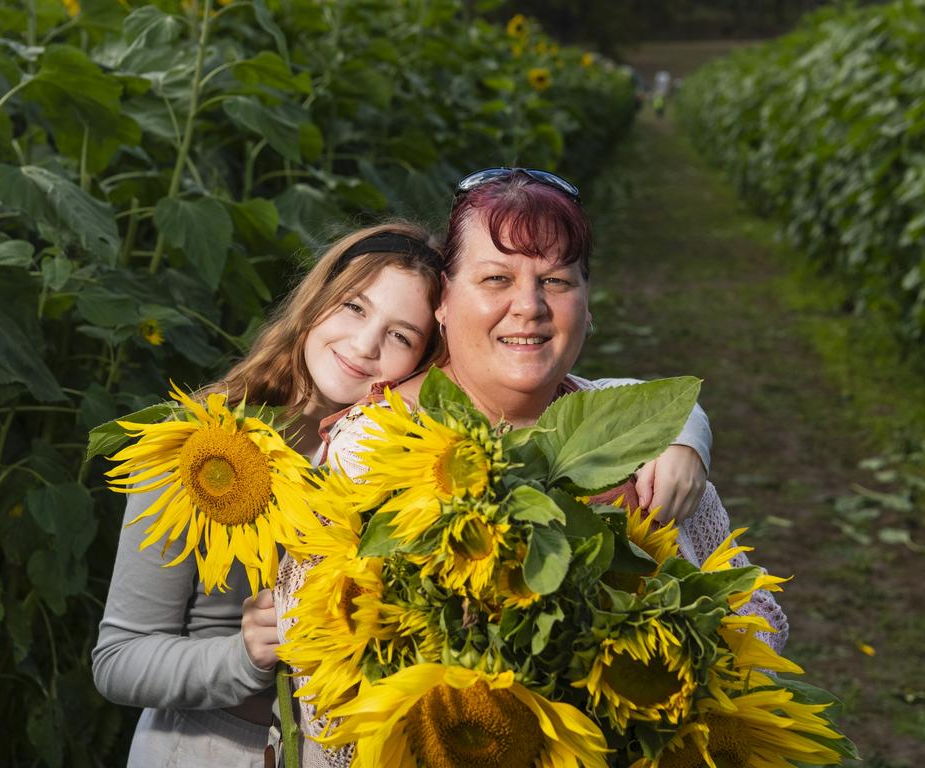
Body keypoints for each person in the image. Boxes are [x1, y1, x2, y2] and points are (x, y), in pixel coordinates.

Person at [275, 168, 787, 766]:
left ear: (588, 306)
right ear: (443, 302)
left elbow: (757, 616)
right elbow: (320, 675)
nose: (530, 306)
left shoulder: (641, 437)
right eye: (496, 278)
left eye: (556, 281)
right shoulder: (370, 450)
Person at [91, 221, 448, 768]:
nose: (364, 344)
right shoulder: (196, 451)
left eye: (401, 335)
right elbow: (119, 660)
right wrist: (245, 656)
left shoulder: (410, 467)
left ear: (425, 362)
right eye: (353, 307)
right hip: (204, 747)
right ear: (315, 300)